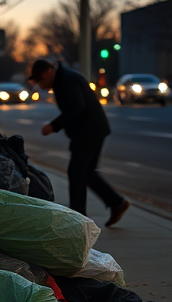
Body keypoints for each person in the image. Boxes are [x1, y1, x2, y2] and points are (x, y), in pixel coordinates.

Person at [28, 58, 130, 227]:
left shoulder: (67, 80)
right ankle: (116, 202)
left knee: (76, 171)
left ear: (48, 72)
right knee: (87, 171)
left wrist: (54, 126)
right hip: (92, 129)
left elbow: (76, 107)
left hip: (88, 131)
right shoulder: (64, 78)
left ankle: (78, 217)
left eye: (41, 80)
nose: (41, 85)